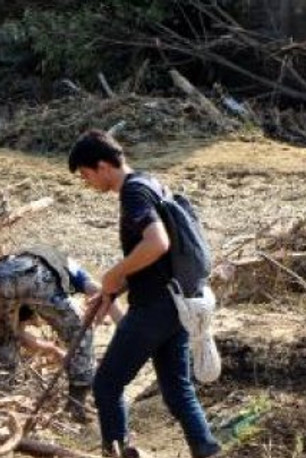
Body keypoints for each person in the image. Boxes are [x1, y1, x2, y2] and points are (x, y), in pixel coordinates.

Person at [68, 130, 221, 457]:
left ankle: (117, 450)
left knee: (107, 384)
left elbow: (158, 243)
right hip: (178, 303)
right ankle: (207, 450)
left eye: (86, 175)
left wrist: (114, 273)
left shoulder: (133, 194)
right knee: (179, 392)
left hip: (155, 308)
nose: (87, 183)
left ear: (102, 167)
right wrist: (111, 292)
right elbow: (157, 260)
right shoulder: (152, 183)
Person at [0, 244, 123, 422]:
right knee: (80, 330)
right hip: (32, 274)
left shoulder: (21, 267)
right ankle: (77, 403)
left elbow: (20, 335)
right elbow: (100, 291)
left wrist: (53, 350)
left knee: (5, 343)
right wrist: (125, 325)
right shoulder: (67, 263)